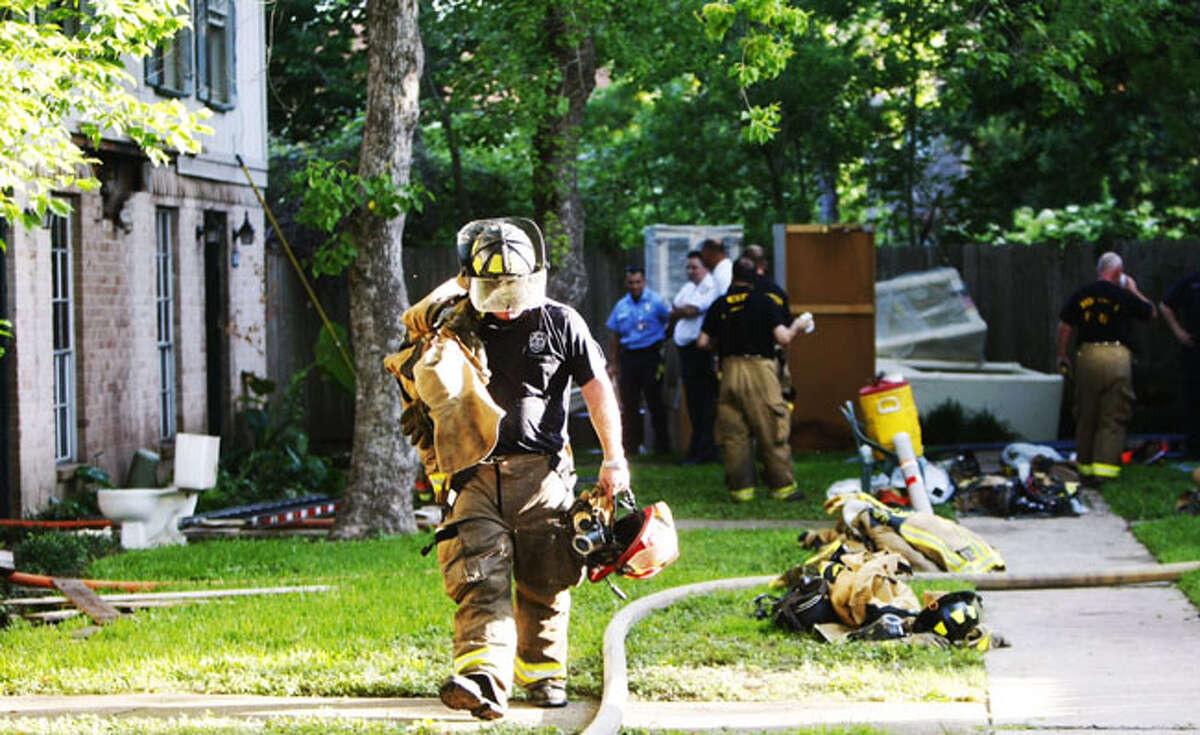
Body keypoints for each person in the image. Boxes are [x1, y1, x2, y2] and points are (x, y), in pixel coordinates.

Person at [393, 218, 629, 720]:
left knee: (547, 579)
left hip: (543, 476)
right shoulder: (453, 324)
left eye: (515, 287)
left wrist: (614, 458)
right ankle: (481, 679)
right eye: (495, 288)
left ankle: (544, 676)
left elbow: (598, 389)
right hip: (473, 477)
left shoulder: (562, 322)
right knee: (479, 578)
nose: (506, 299)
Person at [698, 256, 814, 502]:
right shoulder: (763, 301)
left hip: (728, 371)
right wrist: (798, 325)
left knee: (734, 433)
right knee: (771, 425)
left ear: (733, 277)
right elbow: (783, 338)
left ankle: (741, 491)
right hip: (760, 369)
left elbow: (703, 342)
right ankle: (782, 487)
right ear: (754, 278)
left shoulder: (720, 304)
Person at [1056, 251, 1156, 483]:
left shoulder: (1082, 294)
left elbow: (1064, 326)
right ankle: (1105, 472)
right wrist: (1133, 289)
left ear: (1100, 270)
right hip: (1117, 356)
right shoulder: (1123, 295)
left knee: (1086, 413)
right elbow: (1151, 314)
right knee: (1113, 414)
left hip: (1087, 356)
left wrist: (1062, 355)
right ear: (1119, 273)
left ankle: (1085, 467)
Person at [606, 266, 672, 456]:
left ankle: (662, 446)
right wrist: (614, 363)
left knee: (655, 400)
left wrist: (661, 341)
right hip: (629, 357)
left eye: (638, 282)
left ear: (644, 282)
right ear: (626, 284)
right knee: (629, 403)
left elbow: (669, 321)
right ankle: (631, 446)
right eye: (631, 282)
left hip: (650, 355)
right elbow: (615, 336)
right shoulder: (621, 306)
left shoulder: (657, 301)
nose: (634, 286)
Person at [669, 251, 719, 464]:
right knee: (693, 401)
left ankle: (704, 450)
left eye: (694, 267)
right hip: (686, 350)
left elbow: (691, 310)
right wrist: (683, 311)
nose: (691, 271)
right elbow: (675, 308)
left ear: (705, 267)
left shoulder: (710, 286)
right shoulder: (689, 287)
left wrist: (683, 310)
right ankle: (698, 448)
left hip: (702, 351)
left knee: (704, 401)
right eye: (688, 267)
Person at [744, 243, 795, 405]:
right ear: (764, 264)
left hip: (740, 362)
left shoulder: (735, 293)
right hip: (771, 359)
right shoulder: (776, 293)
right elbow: (785, 332)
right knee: (776, 405)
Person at [1161, 268, 1200, 459]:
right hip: (1194, 348)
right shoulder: (1191, 281)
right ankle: (1194, 447)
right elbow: (1165, 305)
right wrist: (1178, 332)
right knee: (1194, 397)